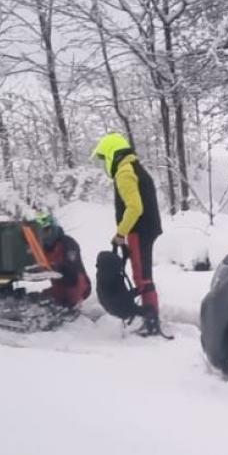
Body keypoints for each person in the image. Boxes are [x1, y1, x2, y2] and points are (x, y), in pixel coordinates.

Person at [91, 132, 164, 335]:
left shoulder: (124, 172)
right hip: (146, 229)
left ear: (112, 154)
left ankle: (151, 323)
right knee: (144, 275)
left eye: (104, 158)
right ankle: (150, 317)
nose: (105, 162)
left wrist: (121, 233)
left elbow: (134, 207)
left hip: (138, 231)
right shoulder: (134, 167)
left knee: (142, 277)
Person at [34, 210, 90, 309]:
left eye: (47, 230)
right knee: (34, 300)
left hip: (76, 286)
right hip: (58, 288)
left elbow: (71, 269)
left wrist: (54, 267)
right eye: (41, 232)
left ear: (54, 228)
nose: (44, 235)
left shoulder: (68, 243)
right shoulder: (43, 248)